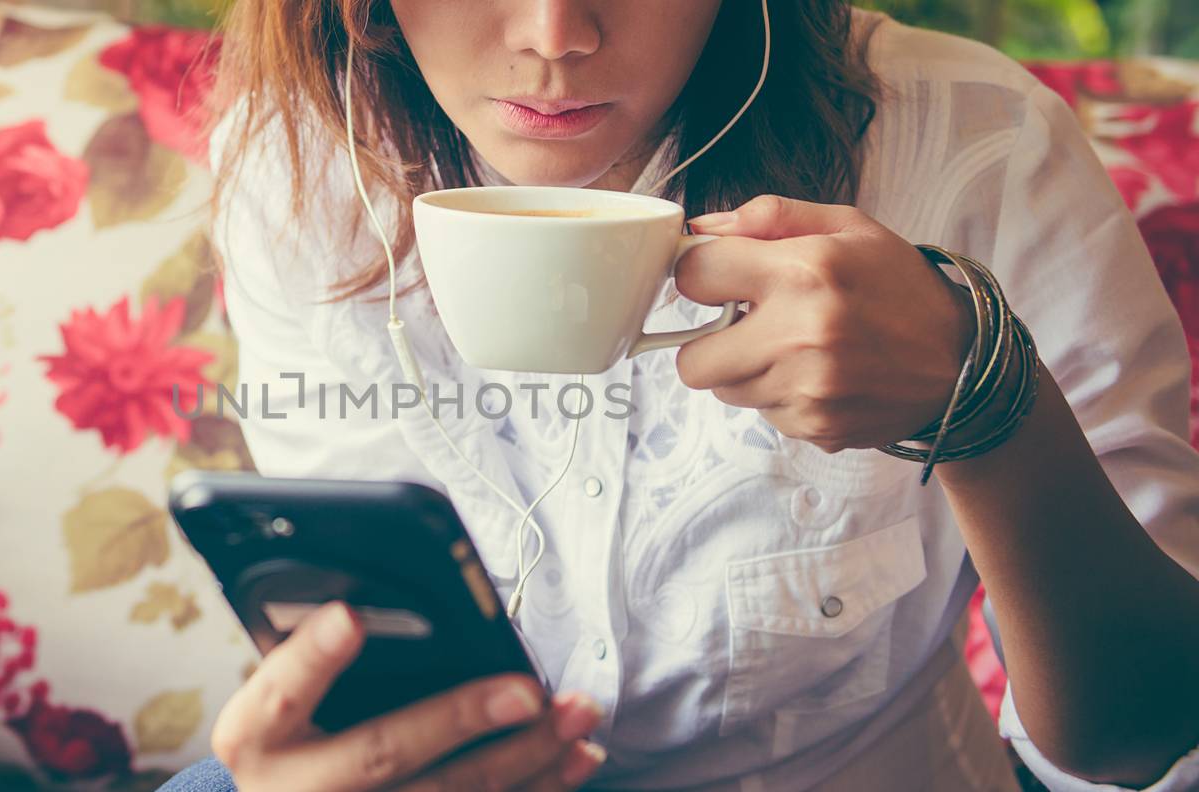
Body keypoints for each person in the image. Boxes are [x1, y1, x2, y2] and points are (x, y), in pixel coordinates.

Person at [164, 1, 1199, 790]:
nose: (555, 35)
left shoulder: (979, 147)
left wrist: (984, 404)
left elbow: (1140, 739)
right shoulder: (299, 154)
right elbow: (366, 629)